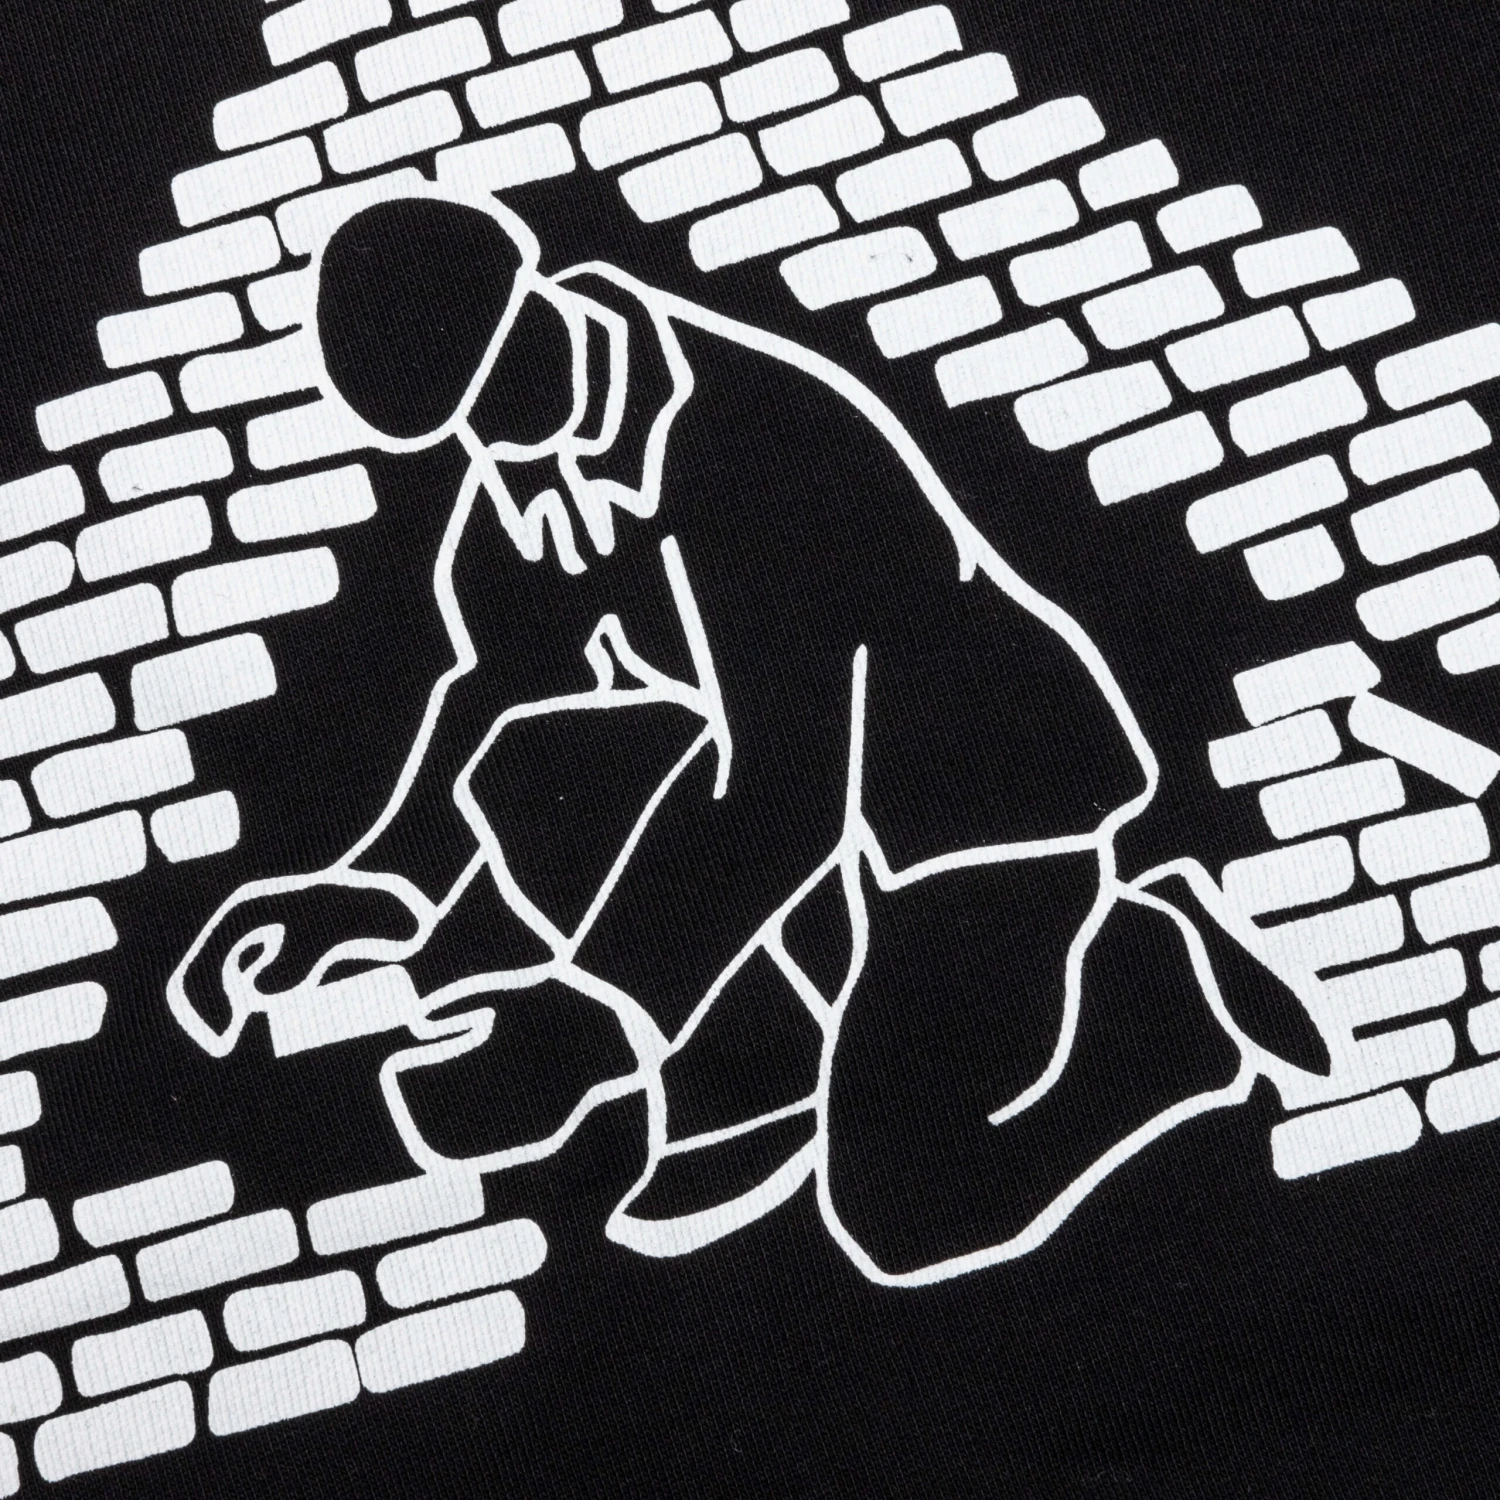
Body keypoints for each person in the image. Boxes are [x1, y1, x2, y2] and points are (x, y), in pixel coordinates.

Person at [167, 187, 1326, 1285]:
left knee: (904, 1210)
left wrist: (589, 1019)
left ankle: (1162, 991)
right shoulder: (522, 470)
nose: (490, 444)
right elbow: (501, 691)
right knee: (535, 766)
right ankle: (750, 1089)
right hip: (808, 820)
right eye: (462, 424)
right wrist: (374, 891)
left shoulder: (756, 432)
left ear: (534, 298)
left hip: (972, 798)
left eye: (490, 390)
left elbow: (783, 787)